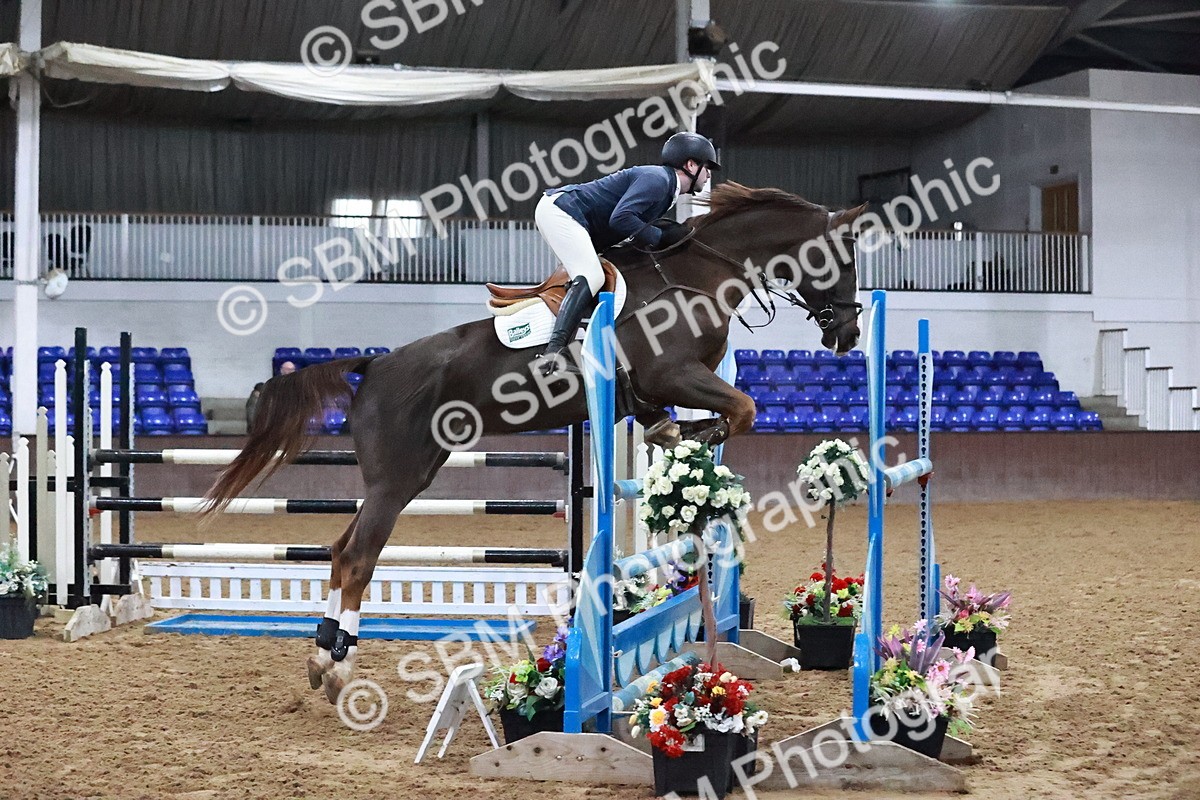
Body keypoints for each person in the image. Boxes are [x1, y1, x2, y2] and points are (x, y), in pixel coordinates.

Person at [533, 131, 721, 375]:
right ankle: (554, 352)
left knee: (605, 276)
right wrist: (659, 237)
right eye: (707, 167)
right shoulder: (658, 180)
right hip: (562, 211)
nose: (709, 175)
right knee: (591, 276)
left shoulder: (666, 189)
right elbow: (621, 218)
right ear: (691, 165)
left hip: (578, 220)